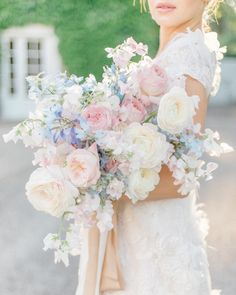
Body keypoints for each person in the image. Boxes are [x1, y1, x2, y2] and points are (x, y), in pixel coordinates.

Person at [75, 0, 225, 294]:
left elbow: (182, 179)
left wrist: (100, 182)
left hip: (155, 252)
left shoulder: (189, 53)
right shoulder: (172, 50)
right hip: (137, 237)